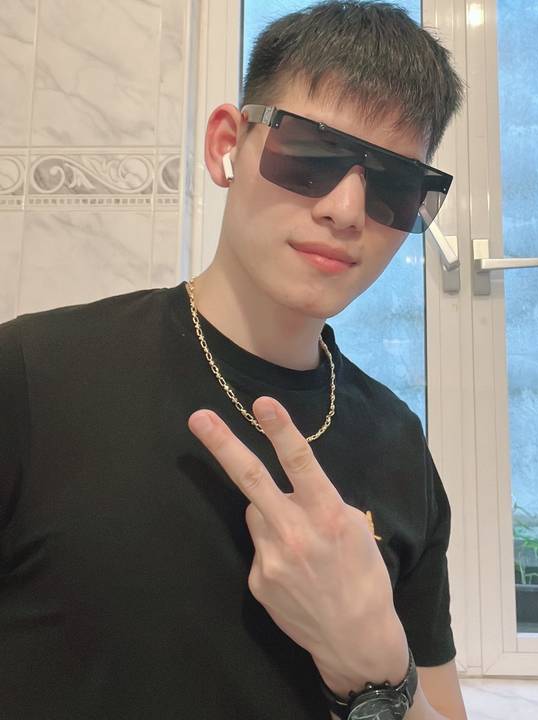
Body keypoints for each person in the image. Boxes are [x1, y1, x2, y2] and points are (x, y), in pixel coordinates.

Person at [0, 1, 465, 718]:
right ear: (228, 144)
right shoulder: (34, 375)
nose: (346, 209)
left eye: (396, 186)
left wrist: (378, 672)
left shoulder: (399, 443)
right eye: (311, 154)